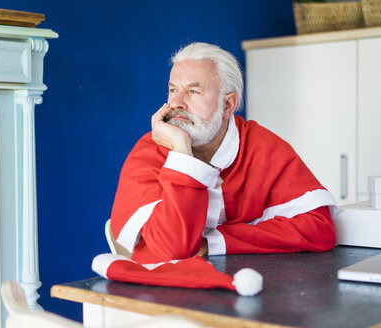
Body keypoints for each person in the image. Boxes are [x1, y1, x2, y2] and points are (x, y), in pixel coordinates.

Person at [110, 42, 338, 264]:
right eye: (172, 90)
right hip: (161, 290)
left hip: (244, 286)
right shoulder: (149, 151)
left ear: (228, 105)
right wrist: (181, 153)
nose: (177, 103)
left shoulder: (261, 146)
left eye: (193, 91)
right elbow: (174, 248)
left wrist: (216, 242)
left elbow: (319, 228)